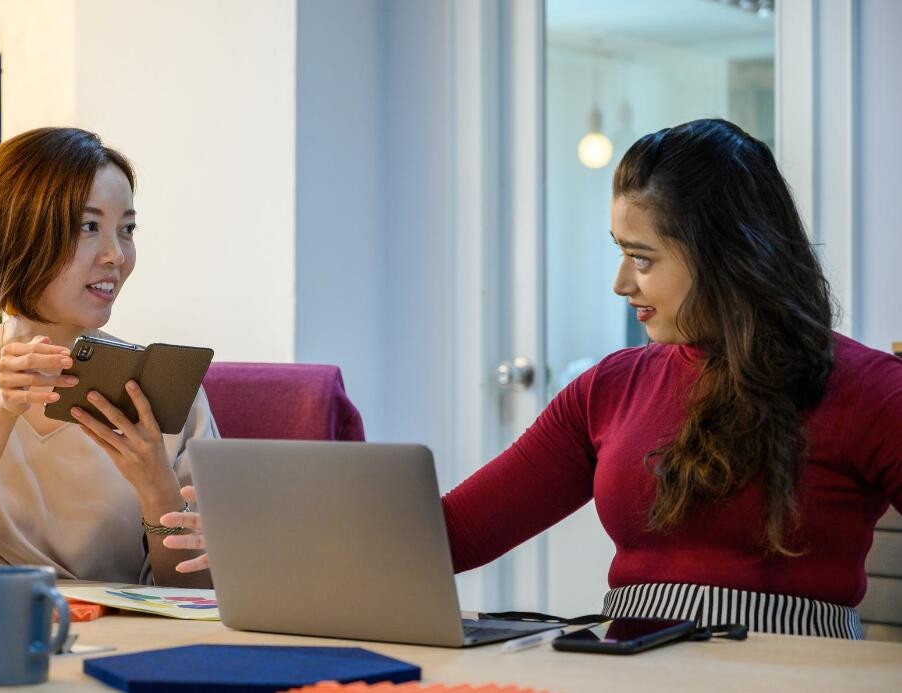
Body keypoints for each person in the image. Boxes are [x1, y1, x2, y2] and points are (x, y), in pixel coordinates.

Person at [159, 119, 902, 638]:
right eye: (619, 251)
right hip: (631, 663)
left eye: (642, 258)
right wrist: (270, 538)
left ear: (729, 257)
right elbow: (451, 534)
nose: (620, 283)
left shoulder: (870, 391)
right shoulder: (608, 388)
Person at [0, 127, 216, 586]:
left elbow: (198, 594)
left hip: (129, 645)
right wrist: (0, 409)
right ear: (16, 234)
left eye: (127, 229)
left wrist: (156, 486)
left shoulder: (166, 385)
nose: (116, 255)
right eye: (88, 227)